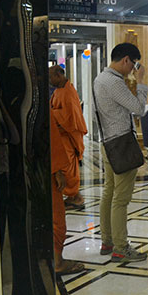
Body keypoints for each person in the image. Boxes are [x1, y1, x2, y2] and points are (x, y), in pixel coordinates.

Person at [93, 42, 148, 262]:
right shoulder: (114, 82)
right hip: (122, 144)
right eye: (133, 64)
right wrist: (141, 82)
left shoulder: (100, 79)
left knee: (109, 193)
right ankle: (120, 247)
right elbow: (139, 108)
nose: (133, 69)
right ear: (126, 60)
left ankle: (107, 241)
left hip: (108, 143)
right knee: (120, 199)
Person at [49, 65, 88, 208]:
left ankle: (76, 197)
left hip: (68, 136)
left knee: (68, 168)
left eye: (51, 77)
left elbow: (70, 117)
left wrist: (52, 113)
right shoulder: (59, 90)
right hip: (60, 136)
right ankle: (72, 196)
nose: (49, 80)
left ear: (59, 75)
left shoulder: (68, 91)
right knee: (63, 166)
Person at [51, 111, 85, 274]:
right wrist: (57, 169)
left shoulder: (65, 95)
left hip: (56, 151)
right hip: (49, 163)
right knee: (56, 218)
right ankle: (57, 261)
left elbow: (72, 119)